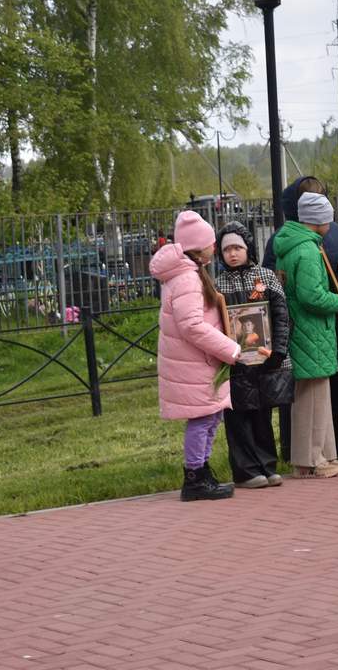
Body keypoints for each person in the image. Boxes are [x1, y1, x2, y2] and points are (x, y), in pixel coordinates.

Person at [149, 210, 242, 501]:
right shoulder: (187, 279)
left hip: (199, 361)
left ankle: (201, 471)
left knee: (211, 417)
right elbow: (192, 326)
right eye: (211, 243)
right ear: (198, 247)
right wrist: (230, 348)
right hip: (195, 362)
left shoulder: (187, 274)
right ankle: (194, 476)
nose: (215, 247)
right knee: (203, 419)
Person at [262, 176, 338, 461]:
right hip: (311, 329)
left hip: (302, 329)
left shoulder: (289, 244)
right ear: (318, 221)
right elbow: (311, 296)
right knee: (311, 400)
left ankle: (321, 454)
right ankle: (310, 459)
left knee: (314, 397)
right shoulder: (307, 250)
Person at [215, 222, 290, 488]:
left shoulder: (266, 277)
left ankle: (267, 466)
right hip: (235, 362)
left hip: (265, 358)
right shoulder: (217, 284)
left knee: (262, 416)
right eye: (226, 249)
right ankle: (245, 471)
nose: (232, 254)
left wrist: (278, 350)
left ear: (248, 248)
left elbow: (281, 314)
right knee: (238, 417)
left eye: (237, 247)